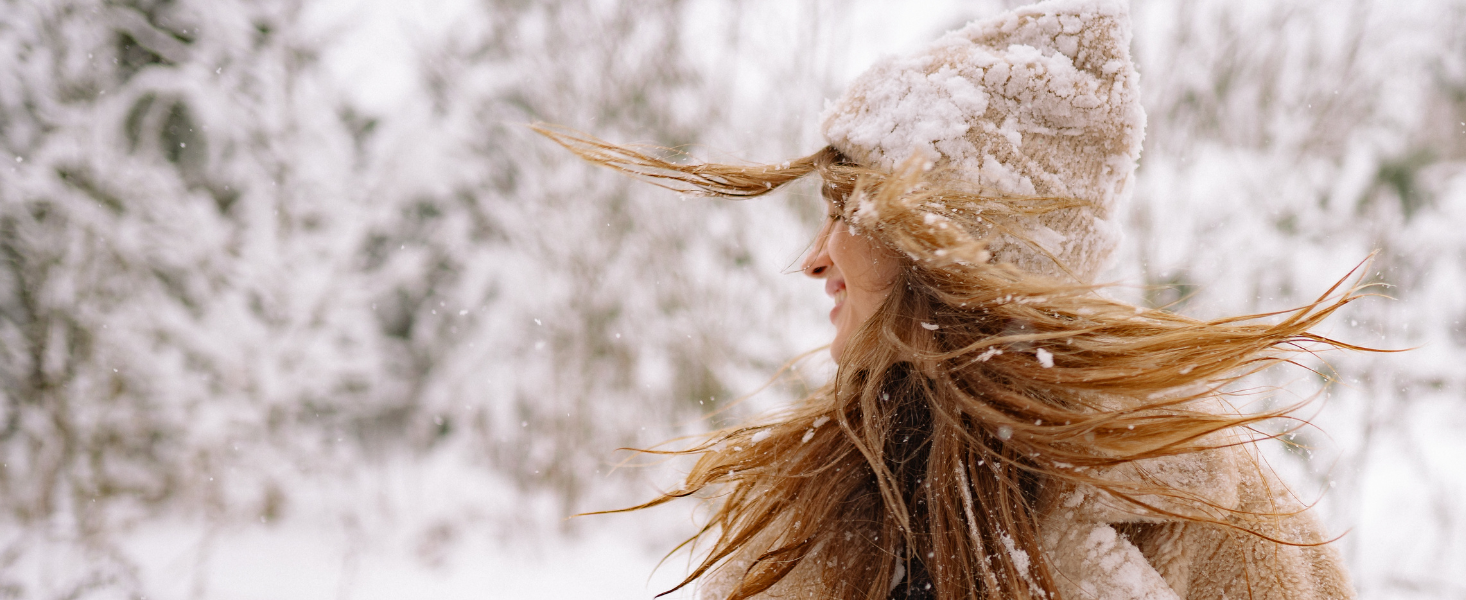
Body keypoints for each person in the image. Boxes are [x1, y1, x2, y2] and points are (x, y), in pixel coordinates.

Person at [537, 1, 1372, 598]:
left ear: (953, 244)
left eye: (845, 212)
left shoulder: (1209, 509)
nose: (814, 258)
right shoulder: (823, 504)